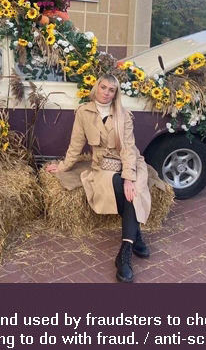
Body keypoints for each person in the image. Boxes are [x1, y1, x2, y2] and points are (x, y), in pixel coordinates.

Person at [46, 74, 153, 283]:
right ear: (97, 88)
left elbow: (128, 149)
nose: (106, 92)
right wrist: (63, 166)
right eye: (103, 87)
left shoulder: (124, 115)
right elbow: (76, 144)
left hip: (130, 163)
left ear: (115, 94)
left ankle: (125, 252)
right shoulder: (83, 112)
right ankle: (136, 234)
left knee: (133, 189)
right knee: (116, 185)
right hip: (104, 164)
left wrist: (129, 178)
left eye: (111, 90)